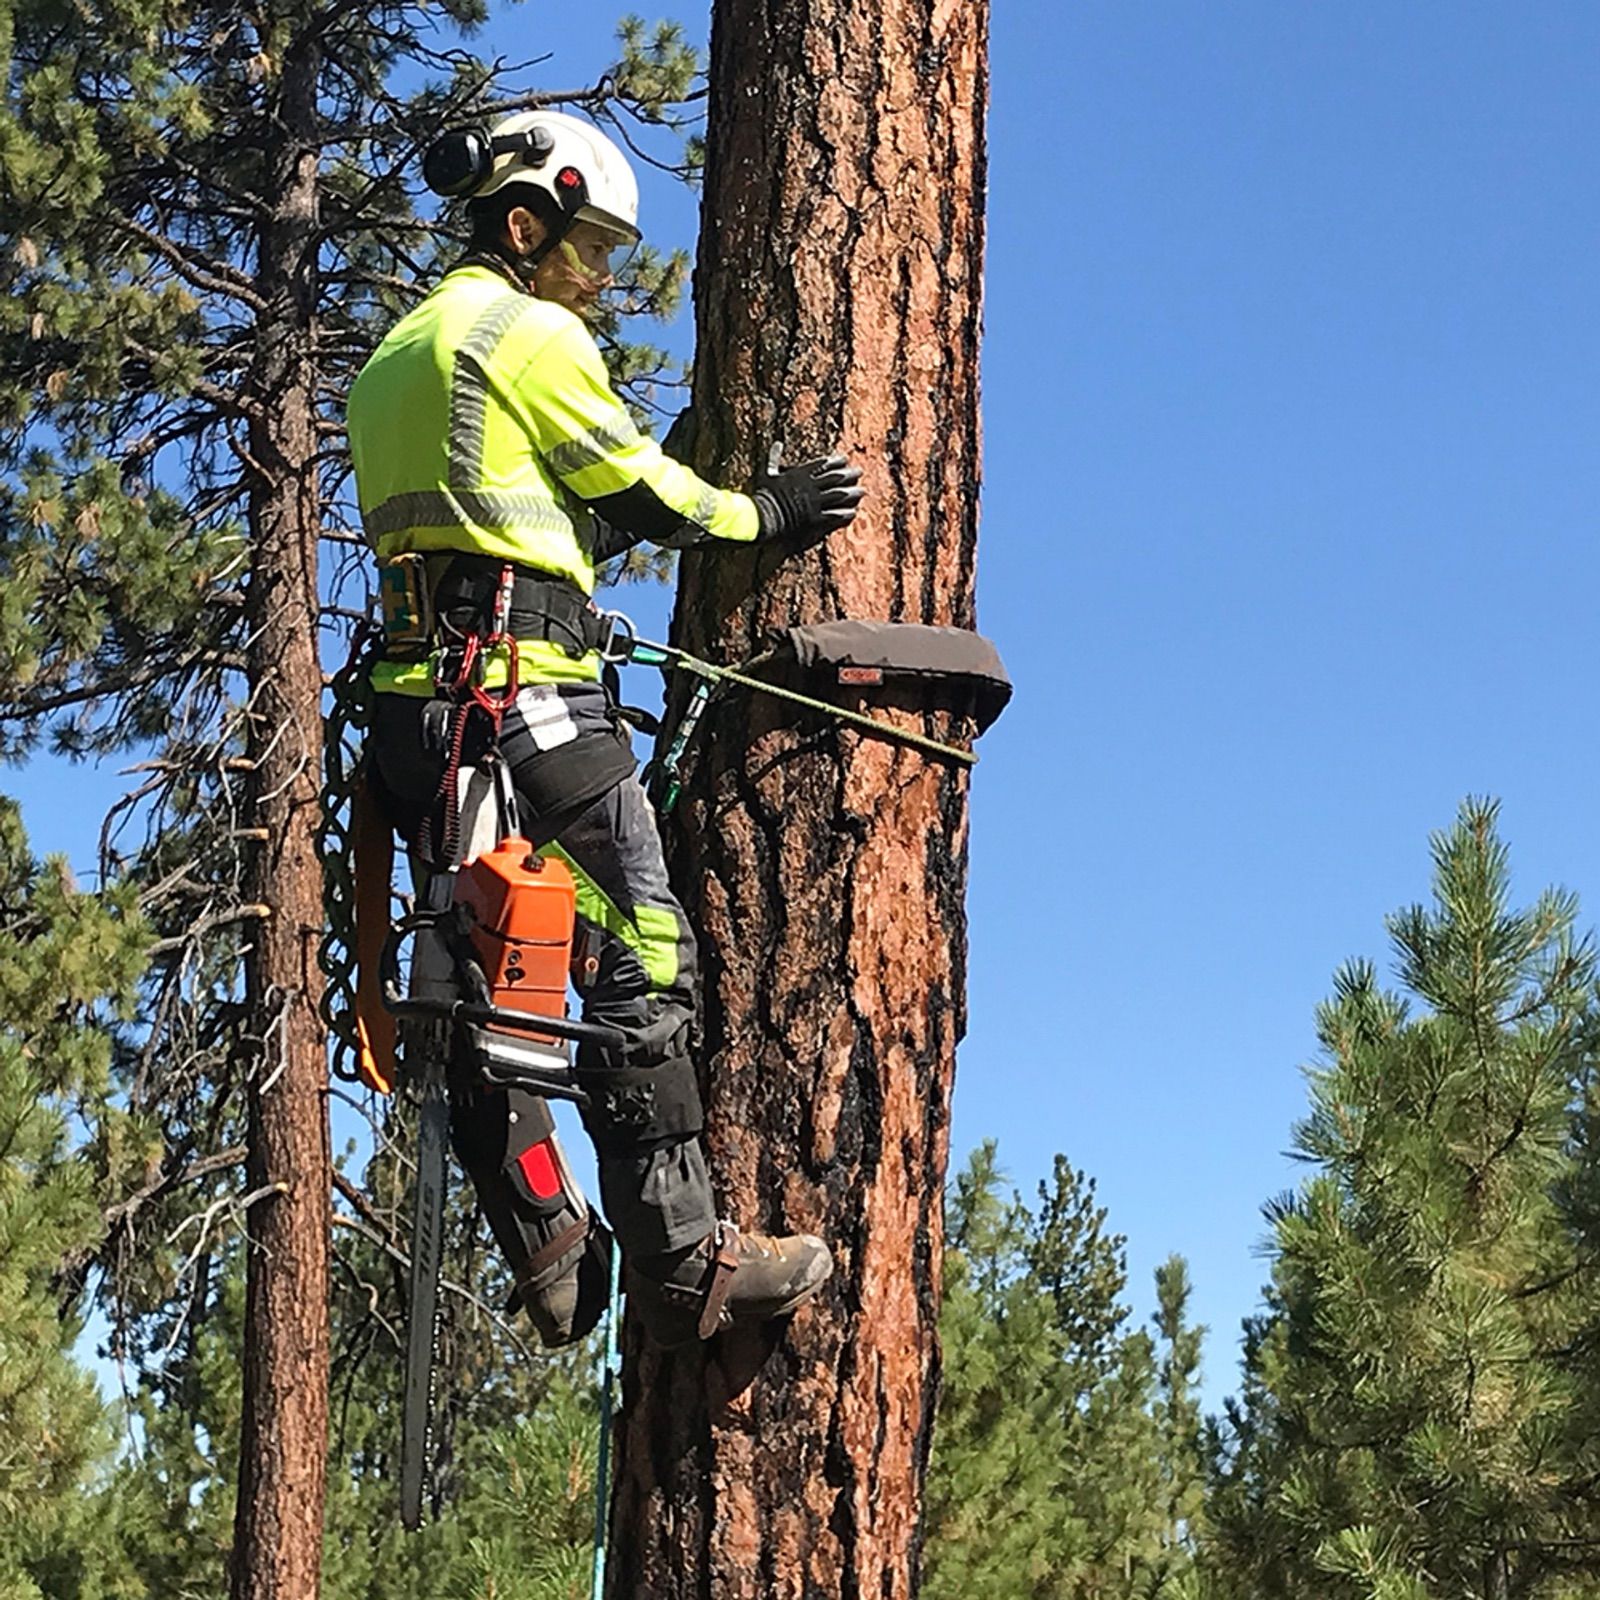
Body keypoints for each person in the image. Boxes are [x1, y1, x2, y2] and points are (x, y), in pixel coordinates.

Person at [346, 109, 863, 1347]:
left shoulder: (394, 360)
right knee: (640, 939)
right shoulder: (526, 333)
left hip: (422, 706)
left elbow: (522, 522)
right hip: (527, 698)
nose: (600, 278)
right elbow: (648, 497)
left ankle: (552, 1248)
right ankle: (687, 1261)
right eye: (585, 247)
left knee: (482, 964)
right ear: (522, 226)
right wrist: (764, 508)